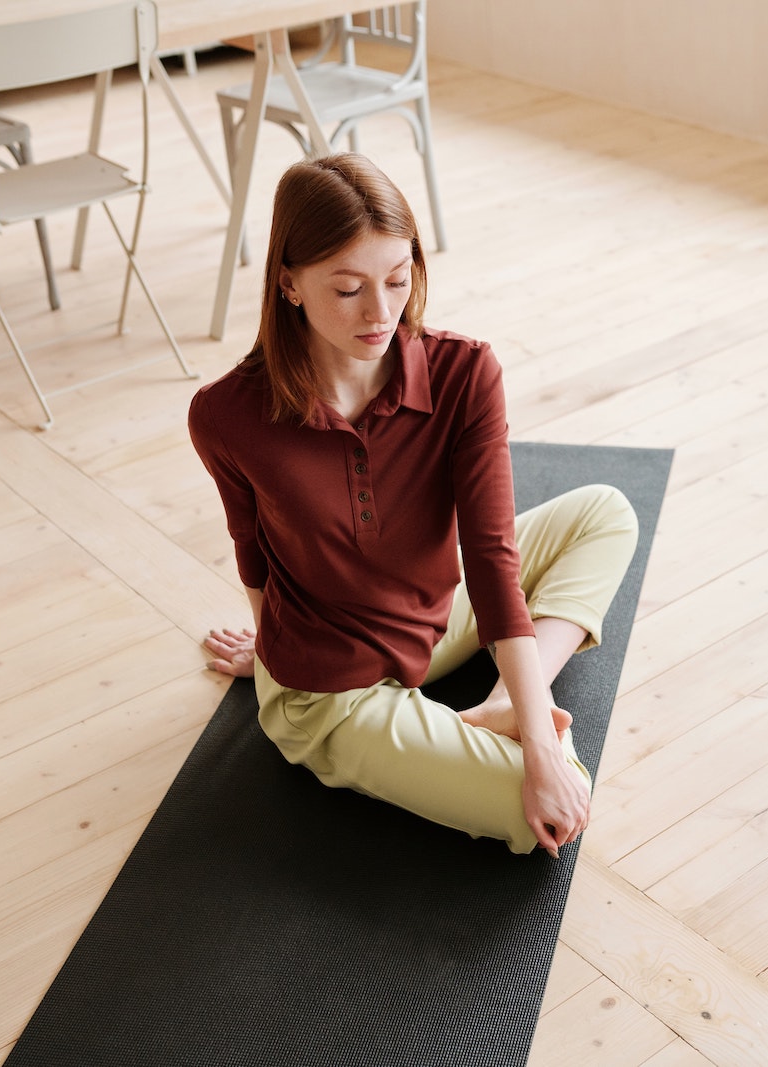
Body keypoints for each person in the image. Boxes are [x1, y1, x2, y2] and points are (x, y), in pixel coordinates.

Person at [189, 154, 638, 857]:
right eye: (347, 289)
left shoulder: (464, 372)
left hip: (430, 615)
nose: (380, 313)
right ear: (289, 282)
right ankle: (515, 721)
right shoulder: (226, 414)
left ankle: (501, 701)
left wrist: (526, 716)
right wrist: (274, 650)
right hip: (332, 691)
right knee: (543, 812)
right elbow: (252, 547)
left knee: (605, 511)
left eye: (397, 280)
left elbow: (490, 561)